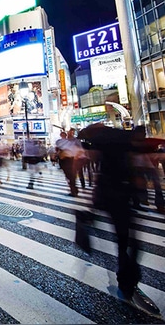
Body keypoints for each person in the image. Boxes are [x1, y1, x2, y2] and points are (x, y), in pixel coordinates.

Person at [78, 124, 161, 318]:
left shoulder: (109, 140)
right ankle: (126, 281)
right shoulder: (120, 141)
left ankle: (126, 279)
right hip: (116, 197)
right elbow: (135, 168)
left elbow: (94, 162)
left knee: (126, 240)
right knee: (127, 240)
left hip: (110, 195)